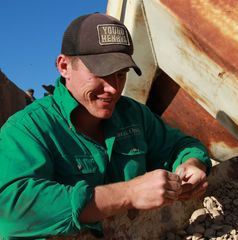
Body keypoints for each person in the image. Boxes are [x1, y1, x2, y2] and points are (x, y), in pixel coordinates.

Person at [0, 13, 212, 239]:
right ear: (64, 66)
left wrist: (192, 164)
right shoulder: (28, 128)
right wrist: (128, 193)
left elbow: (180, 145)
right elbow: (11, 209)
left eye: (121, 74)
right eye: (101, 73)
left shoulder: (134, 115)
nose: (113, 88)